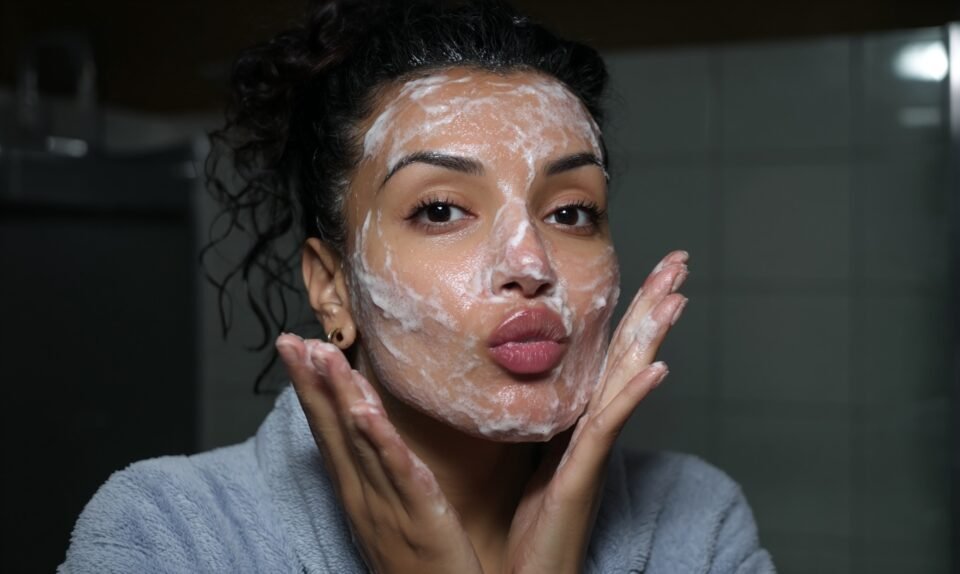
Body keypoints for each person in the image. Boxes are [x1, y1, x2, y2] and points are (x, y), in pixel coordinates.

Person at [60, 1, 775, 572]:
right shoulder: (167, 536)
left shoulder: (696, 521)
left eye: (570, 211)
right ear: (333, 288)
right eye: (440, 210)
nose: (531, 262)